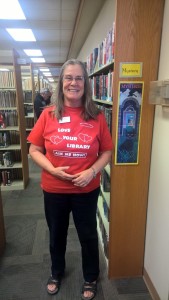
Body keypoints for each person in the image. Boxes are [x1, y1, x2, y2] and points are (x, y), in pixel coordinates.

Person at [27, 59, 113, 300]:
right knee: (56, 233)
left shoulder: (96, 116)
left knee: (87, 234)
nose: (73, 83)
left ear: (86, 83)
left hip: (86, 189)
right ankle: (56, 272)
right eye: (68, 78)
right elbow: (34, 150)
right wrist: (53, 170)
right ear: (61, 82)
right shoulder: (48, 115)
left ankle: (91, 276)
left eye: (78, 78)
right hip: (54, 189)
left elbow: (107, 151)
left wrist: (92, 172)